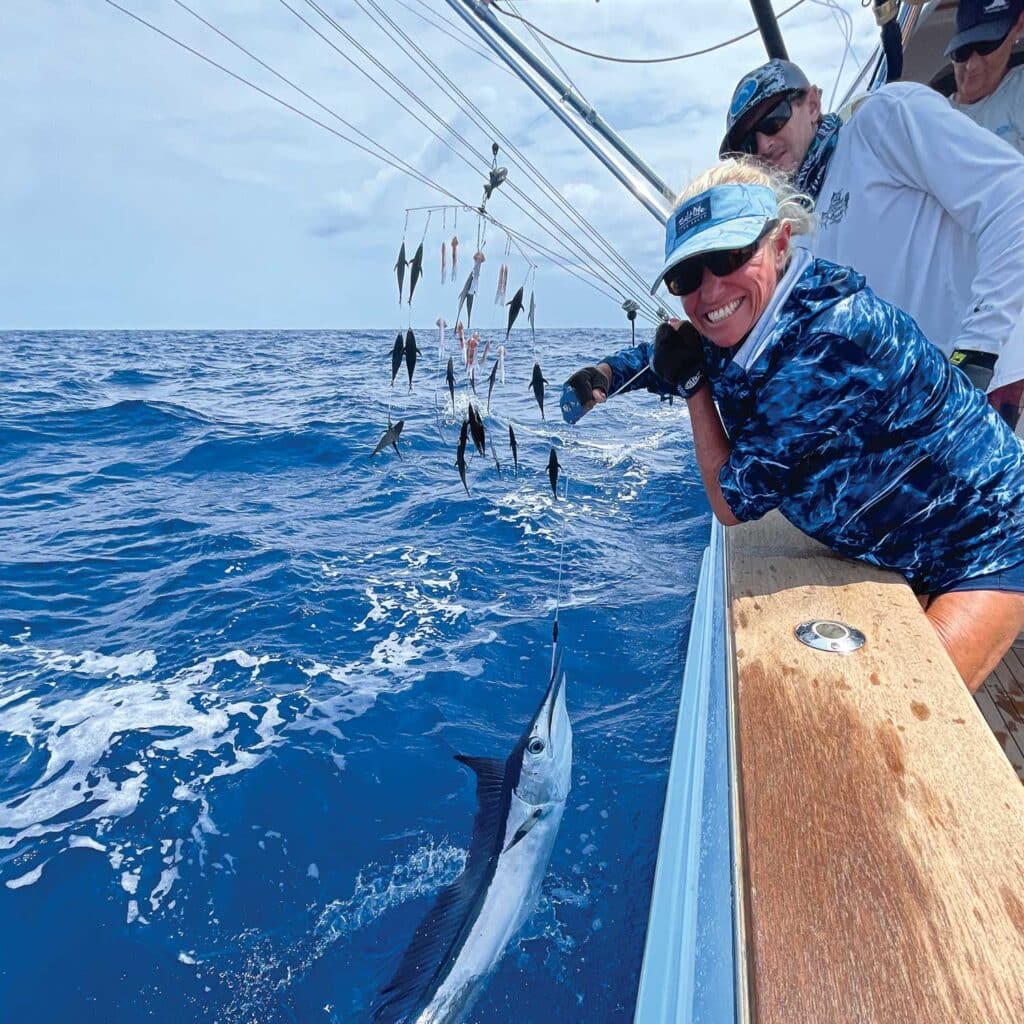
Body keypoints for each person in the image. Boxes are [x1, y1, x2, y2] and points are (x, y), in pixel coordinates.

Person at [561, 161, 1024, 693]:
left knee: (914, 706)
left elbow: (731, 502)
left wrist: (692, 386)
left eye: (728, 257)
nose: (709, 291)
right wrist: (604, 375)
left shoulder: (831, 338)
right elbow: (671, 353)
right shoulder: (758, 315)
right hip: (901, 544)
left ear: (780, 243)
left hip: (985, 540)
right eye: (685, 276)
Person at [718, 57, 1024, 430]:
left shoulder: (883, 119)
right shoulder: (797, 231)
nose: (764, 144)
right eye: (748, 143)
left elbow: (1012, 199)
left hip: (992, 383)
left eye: (773, 119)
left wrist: (976, 356)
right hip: (915, 414)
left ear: (813, 104)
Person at [948, 0, 1024, 155]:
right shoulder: (933, 113)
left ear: (1019, 26)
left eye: (986, 46)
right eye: (962, 51)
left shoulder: (1019, 88)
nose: (971, 65)